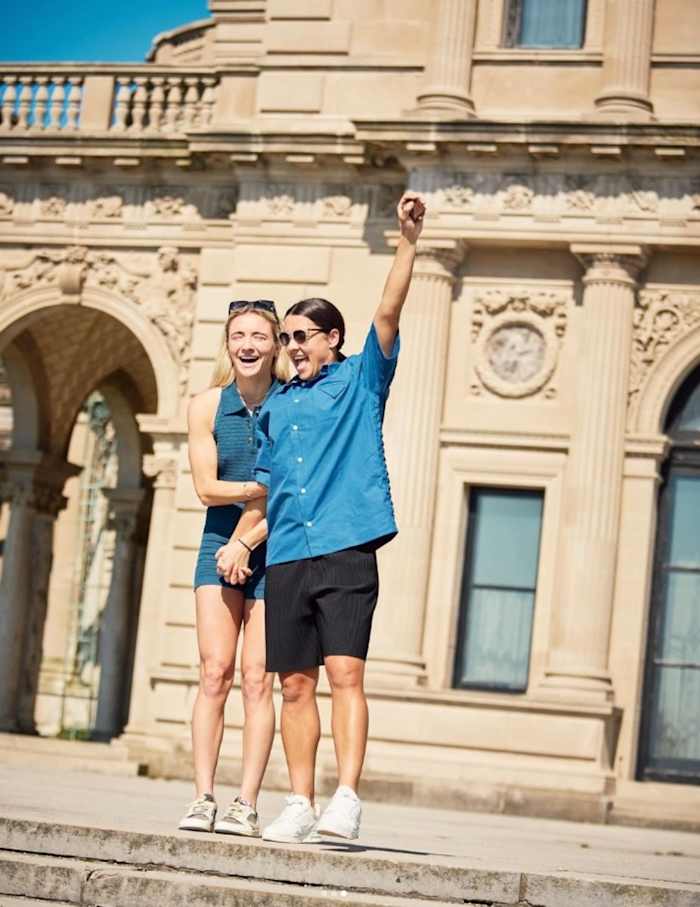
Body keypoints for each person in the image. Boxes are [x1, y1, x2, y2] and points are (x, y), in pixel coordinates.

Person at [252, 192, 426, 843]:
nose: (291, 347)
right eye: (285, 339)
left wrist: (406, 240)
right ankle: (299, 801)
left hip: (348, 547)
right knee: (294, 682)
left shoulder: (360, 380)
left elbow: (388, 309)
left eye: (302, 336)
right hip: (289, 553)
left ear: (332, 339)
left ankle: (346, 797)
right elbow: (268, 492)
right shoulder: (274, 407)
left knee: (345, 672)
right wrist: (244, 541)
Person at [178, 299, 285, 838]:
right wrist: (257, 491)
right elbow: (204, 489)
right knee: (214, 671)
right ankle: (202, 796)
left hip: (274, 549)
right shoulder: (204, 406)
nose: (248, 345)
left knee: (257, 680)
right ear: (228, 344)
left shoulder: (292, 404)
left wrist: (248, 538)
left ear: (276, 344)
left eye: (259, 336)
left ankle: (246, 802)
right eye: (239, 335)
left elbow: (295, 495)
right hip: (216, 543)